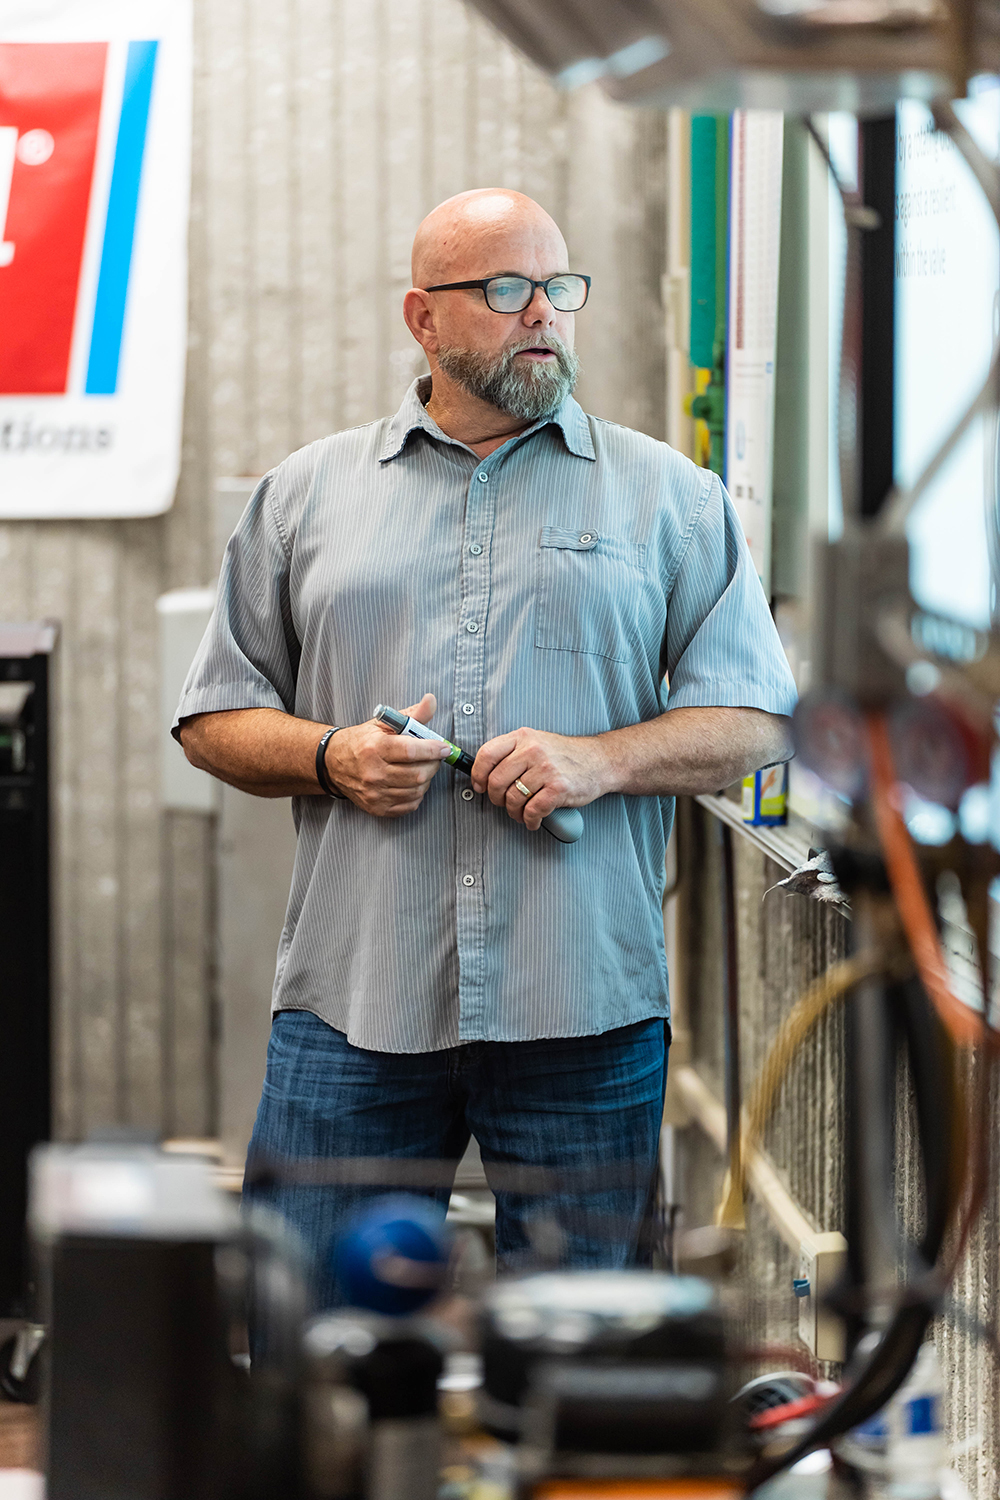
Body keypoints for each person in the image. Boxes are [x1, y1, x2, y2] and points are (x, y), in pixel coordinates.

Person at [175, 188, 796, 1304]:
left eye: (559, 288)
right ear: (424, 319)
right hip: (355, 1008)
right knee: (304, 1342)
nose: (543, 315)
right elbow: (213, 716)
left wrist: (599, 760)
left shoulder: (672, 500)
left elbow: (753, 719)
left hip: (584, 1014)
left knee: (585, 1372)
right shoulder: (302, 499)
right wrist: (330, 755)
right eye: (504, 291)